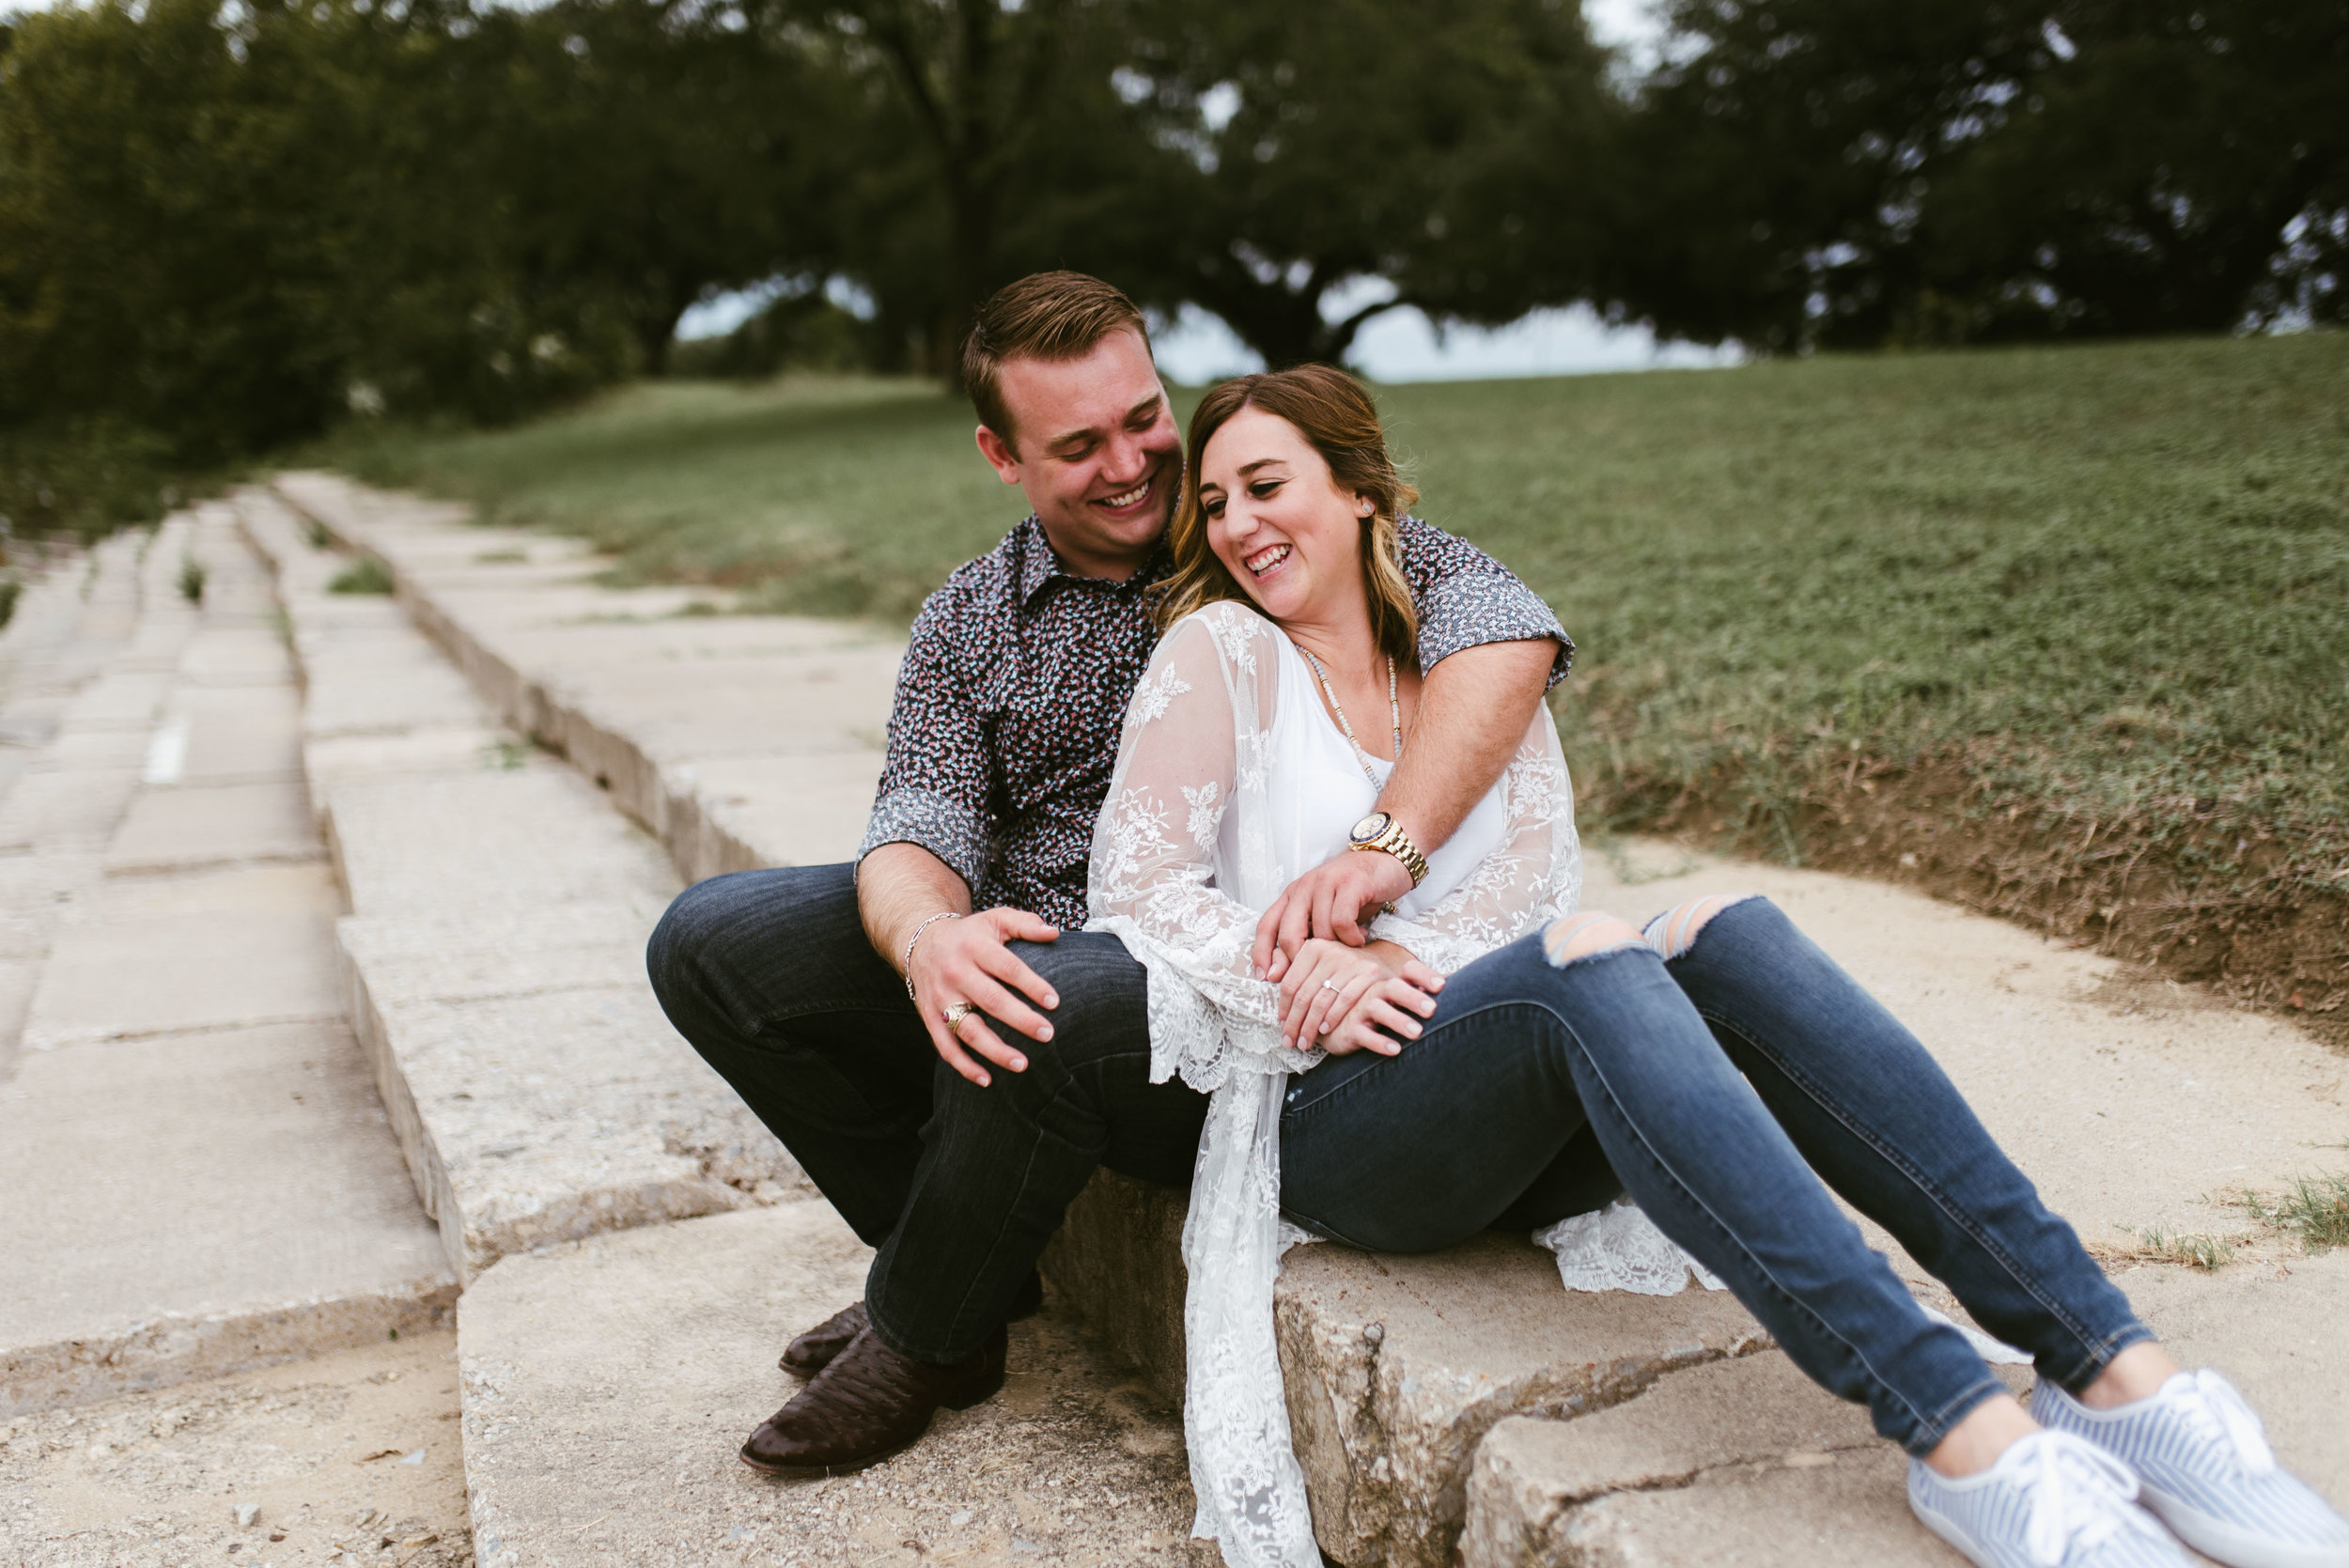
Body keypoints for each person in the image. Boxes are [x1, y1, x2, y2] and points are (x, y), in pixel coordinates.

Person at [1082, 363, 2349, 1568]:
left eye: (1267, 483)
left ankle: (2116, 1370)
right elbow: (1136, 895)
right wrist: (1318, 974)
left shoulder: (1464, 672)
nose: (1238, 521)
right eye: (1215, 500)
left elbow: (1535, 888)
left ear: (1360, 487)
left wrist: (1395, 953)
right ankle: (1961, 1430)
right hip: (1327, 1109)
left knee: (1721, 926)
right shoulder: (1220, 653)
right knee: (1580, 964)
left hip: (1475, 1075)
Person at [644, 272, 1571, 1479]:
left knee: (1055, 992)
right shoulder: (971, 621)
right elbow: (917, 819)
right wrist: (931, 941)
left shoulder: (1263, 526)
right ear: (1000, 453)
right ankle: (963, 1255)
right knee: (714, 940)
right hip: (1040, 949)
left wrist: (1377, 856)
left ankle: (926, 1327)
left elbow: (1508, 640)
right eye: (1079, 445)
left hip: (1222, 981)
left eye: (1143, 418)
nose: (1136, 463)